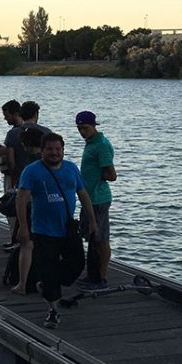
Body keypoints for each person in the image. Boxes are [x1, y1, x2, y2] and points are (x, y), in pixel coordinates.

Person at [16, 133, 97, 329]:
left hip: (68, 229)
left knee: (76, 265)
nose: (54, 153)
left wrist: (92, 221)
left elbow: (83, 194)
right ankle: (53, 310)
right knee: (49, 270)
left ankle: (47, 284)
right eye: (50, 149)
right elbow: (21, 198)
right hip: (43, 231)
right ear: (42, 150)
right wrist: (24, 228)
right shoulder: (32, 171)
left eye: (58, 149)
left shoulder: (71, 168)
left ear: (63, 150)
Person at [75, 111, 117, 290]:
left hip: (98, 199)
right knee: (92, 238)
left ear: (94, 126)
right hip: (88, 198)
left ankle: (100, 277)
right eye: (79, 129)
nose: (82, 132)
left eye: (85, 128)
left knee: (100, 238)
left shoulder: (101, 145)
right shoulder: (91, 143)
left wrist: (97, 178)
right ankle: (93, 275)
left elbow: (111, 174)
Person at [10, 125, 45, 294]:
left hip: (32, 207)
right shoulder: (50, 162)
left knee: (26, 245)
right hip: (48, 207)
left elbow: (23, 194)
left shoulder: (30, 165)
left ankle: (22, 284)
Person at [1, 100, 25, 249]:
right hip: (27, 176)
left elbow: (11, 160)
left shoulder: (12, 133)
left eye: (7, 115)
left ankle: (14, 239)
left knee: (11, 209)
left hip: (14, 176)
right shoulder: (31, 130)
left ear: (15, 113)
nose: (5, 119)